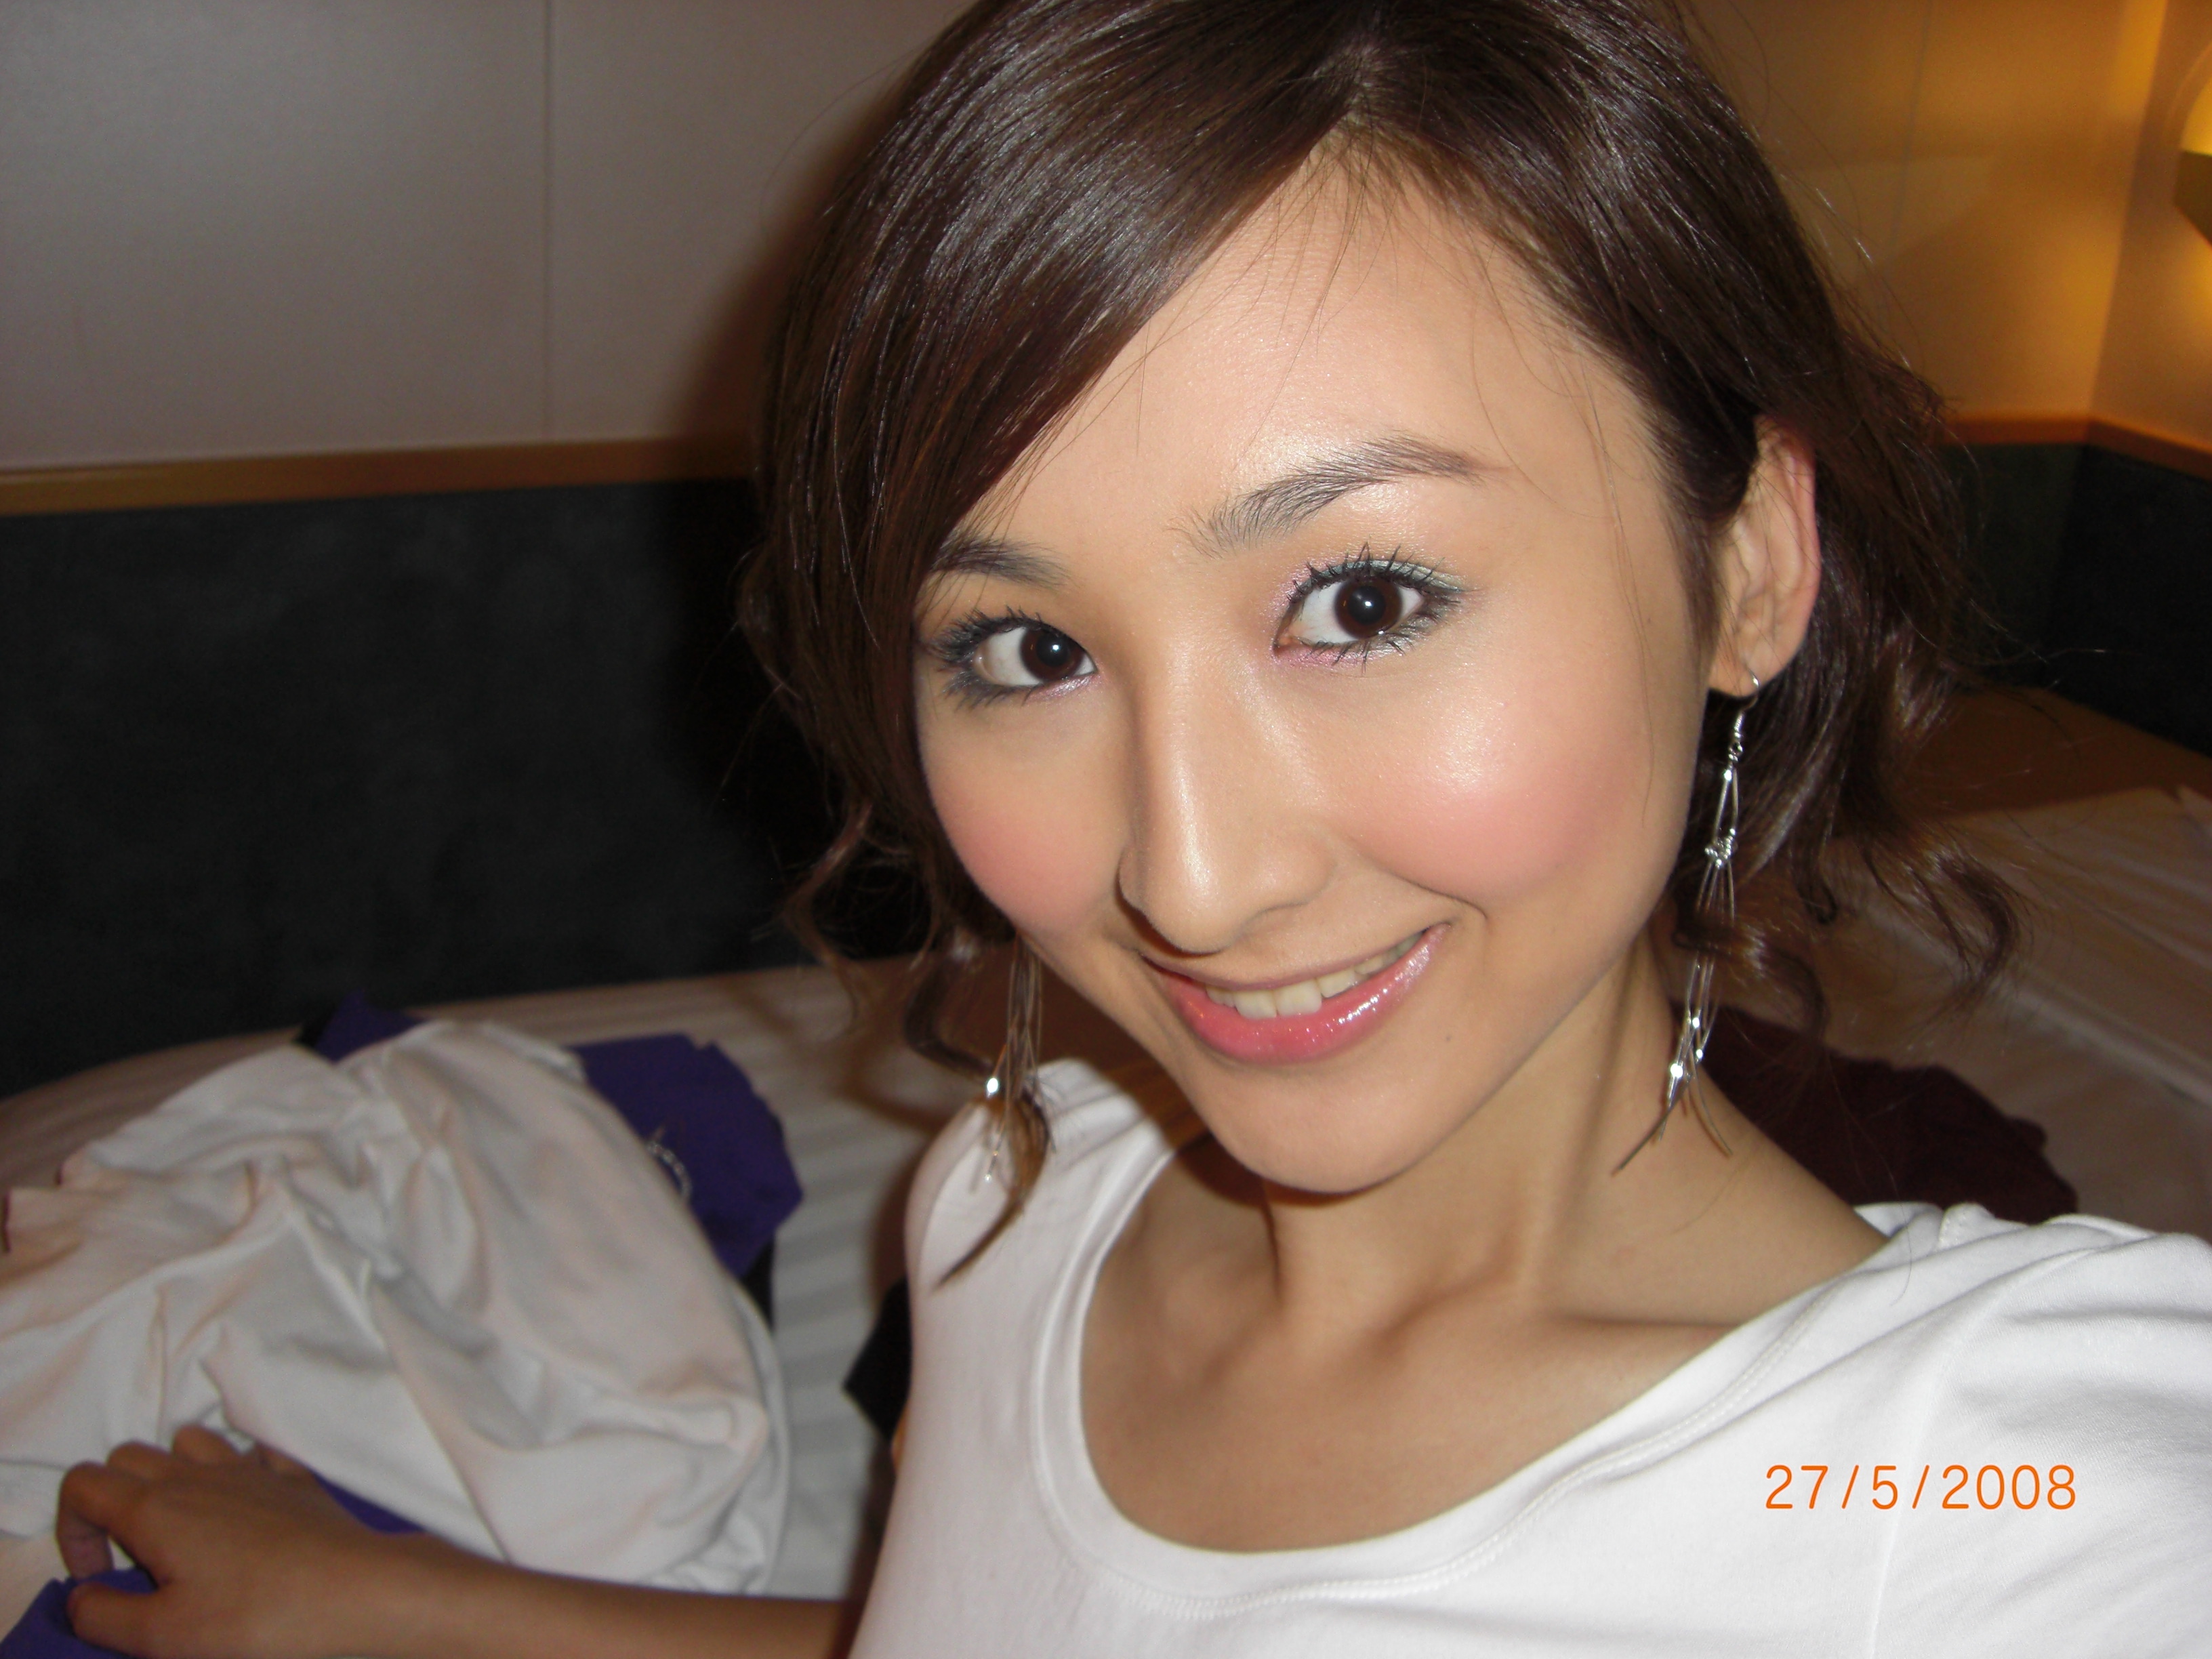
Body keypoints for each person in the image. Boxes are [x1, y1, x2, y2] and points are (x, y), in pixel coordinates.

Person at [56, 0, 2212, 1654]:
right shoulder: (1019, 1210)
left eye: (1364, 603)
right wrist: (404, 1609)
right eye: (1027, 649)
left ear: (1747, 566)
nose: (1188, 876)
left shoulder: (1999, 1498)